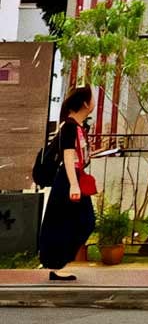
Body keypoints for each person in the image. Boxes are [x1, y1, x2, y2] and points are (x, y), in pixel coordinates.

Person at [38, 86, 96, 281]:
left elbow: (77, 155)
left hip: (74, 177)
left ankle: (60, 263)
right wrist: (73, 184)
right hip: (69, 179)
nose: (94, 102)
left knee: (82, 221)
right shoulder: (70, 126)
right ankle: (57, 265)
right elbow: (68, 156)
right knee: (71, 221)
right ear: (86, 104)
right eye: (92, 99)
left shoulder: (77, 126)